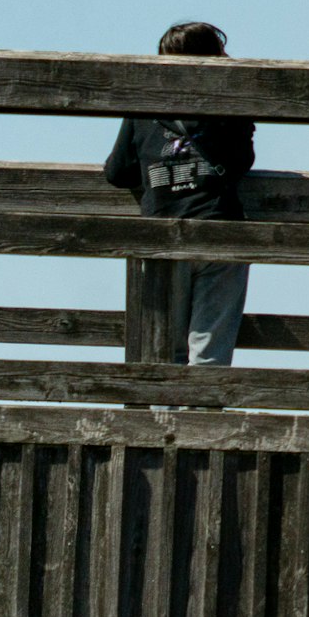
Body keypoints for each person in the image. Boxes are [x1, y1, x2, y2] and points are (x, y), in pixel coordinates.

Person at [101, 21, 254, 366]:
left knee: (164, 351)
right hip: (221, 231)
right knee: (210, 352)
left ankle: (163, 419)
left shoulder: (144, 106)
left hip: (162, 236)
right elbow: (241, 161)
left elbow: (117, 172)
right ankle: (202, 419)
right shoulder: (233, 101)